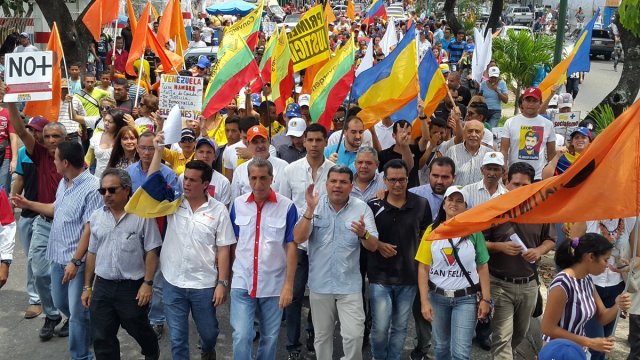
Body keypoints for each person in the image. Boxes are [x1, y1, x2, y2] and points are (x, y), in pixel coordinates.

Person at [127, 133, 236, 360]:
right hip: (173, 281)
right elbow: (153, 179)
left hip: (204, 284)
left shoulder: (218, 211)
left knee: (209, 333)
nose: (186, 183)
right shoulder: (173, 202)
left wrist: (222, 283)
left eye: (192, 180)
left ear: (205, 184)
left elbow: (224, 248)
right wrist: (158, 150)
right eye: (185, 178)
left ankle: (208, 348)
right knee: (178, 339)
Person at [12, 141, 103, 359]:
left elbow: (89, 229)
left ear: (65, 162)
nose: (52, 162)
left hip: (77, 263)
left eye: (55, 159)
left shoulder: (92, 187)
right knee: (62, 303)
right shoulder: (65, 182)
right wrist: (28, 204)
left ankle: (81, 355)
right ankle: (90, 330)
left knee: (77, 315)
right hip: (57, 257)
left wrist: (75, 261)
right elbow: (55, 208)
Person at [293, 165, 379, 360]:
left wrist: (363, 234)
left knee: (355, 336)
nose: (337, 186)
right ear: (327, 184)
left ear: (351, 186)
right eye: (333, 181)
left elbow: (373, 246)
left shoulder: (361, 208)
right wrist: (309, 210)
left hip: (349, 286)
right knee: (321, 337)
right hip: (320, 285)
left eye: (343, 182)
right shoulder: (314, 206)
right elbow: (298, 238)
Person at [81, 168, 161, 360]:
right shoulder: (97, 217)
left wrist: (147, 283)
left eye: (112, 190)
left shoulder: (142, 216)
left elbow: (152, 250)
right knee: (102, 336)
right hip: (103, 285)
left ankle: (151, 351)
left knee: (136, 325)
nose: (106, 195)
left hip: (132, 286)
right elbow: (92, 252)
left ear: (127, 189)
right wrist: (87, 286)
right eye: (103, 191)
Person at [4, 95, 65, 340]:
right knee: (40, 272)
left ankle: (72, 315)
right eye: (47, 136)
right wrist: (9, 100)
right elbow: (19, 127)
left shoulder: (74, 157)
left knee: (66, 274)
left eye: (55, 137)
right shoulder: (38, 154)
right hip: (43, 223)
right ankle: (51, 315)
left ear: (64, 139)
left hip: (68, 227)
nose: (50, 140)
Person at [484, 162, 556, 359]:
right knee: (502, 338)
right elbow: (479, 243)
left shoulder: (541, 210)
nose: (519, 189)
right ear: (506, 182)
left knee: (519, 334)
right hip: (500, 283)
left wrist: (539, 251)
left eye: (525, 185)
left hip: (529, 284)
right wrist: (499, 247)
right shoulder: (494, 208)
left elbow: (550, 240)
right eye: (515, 184)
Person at [229, 158, 298, 360]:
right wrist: (227, 279)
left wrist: (288, 285)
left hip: (274, 284)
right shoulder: (238, 204)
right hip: (243, 281)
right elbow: (233, 242)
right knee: (242, 335)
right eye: (254, 178)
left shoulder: (287, 207)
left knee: (269, 337)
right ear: (248, 179)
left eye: (263, 178)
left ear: (271, 179)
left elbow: (292, 246)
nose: (258, 184)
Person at [416, 186, 492, 360]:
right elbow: (423, 267)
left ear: (466, 206)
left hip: (465, 299)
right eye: (450, 199)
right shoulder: (432, 231)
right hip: (437, 298)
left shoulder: (474, 232)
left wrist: (486, 299)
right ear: (443, 204)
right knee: (441, 348)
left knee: (460, 353)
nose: (454, 204)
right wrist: (424, 301)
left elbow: (483, 266)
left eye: (460, 201)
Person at [278, 124, 334, 359]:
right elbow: (283, 205)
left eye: (318, 140)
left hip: (323, 243)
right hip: (297, 244)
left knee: (320, 295)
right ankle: (292, 344)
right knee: (294, 294)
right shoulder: (291, 171)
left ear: (325, 142)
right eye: (309, 140)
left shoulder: (334, 170)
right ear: (304, 141)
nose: (313, 145)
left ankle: (313, 334)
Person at [367, 159, 431, 360]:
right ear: (384, 181)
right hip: (379, 277)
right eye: (392, 180)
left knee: (400, 328)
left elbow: (427, 237)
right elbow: (363, 236)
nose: (397, 184)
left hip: (409, 277)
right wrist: (378, 245)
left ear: (407, 180)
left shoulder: (421, 204)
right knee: (379, 329)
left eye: (402, 180)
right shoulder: (372, 205)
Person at [541, 233, 632, 355]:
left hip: (577, 351)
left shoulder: (586, 280)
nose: (607, 265)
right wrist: (590, 342)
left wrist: (618, 305)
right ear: (591, 257)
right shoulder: (562, 284)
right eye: (605, 260)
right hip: (559, 352)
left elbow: (602, 317)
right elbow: (548, 328)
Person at [575, 217, 637, 360]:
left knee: (605, 342)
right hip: (589, 283)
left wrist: (628, 265)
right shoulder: (589, 216)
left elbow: (638, 256)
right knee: (596, 344)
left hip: (616, 286)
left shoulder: (631, 219)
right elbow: (572, 247)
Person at [11, 117, 48, 319]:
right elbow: (21, 179)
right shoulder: (25, 153)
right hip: (28, 215)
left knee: (42, 257)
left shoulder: (54, 154)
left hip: (49, 215)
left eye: (36, 130)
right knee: (33, 258)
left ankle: (41, 298)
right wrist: (12, 201)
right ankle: (36, 299)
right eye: (30, 130)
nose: (33, 134)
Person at [501, 87, 555, 181]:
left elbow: (551, 153)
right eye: (528, 100)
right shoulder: (510, 122)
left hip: (538, 177)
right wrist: (504, 167)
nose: (530, 104)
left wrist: (550, 175)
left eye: (534, 101)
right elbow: (504, 150)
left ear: (540, 104)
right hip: (514, 177)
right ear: (522, 102)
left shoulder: (548, 124)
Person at [230, 125, 288, 200]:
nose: (260, 146)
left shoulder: (284, 167)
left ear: (269, 141)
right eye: (255, 142)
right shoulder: (240, 171)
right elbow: (235, 201)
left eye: (263, 141)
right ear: (248, 144)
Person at [178, 138, 231, 207]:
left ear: (215, 156)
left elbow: (224, 210)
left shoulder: (223, 182)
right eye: (201, 152)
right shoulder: (183, 177)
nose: (205, 156)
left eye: (208, 152)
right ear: (195, 154)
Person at [377, 120, 427, 188]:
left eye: (408, 133)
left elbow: (425, 138)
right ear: (394, 135)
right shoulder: (383, 155)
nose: (405, 136)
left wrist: (422, 117)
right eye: (401, 133)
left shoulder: (415, 149)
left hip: (413, 193)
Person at [444, 120, 491, 187]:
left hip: (482, 196)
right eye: (470, 131)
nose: (473, 134)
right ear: (464, 133)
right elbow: (444, 175)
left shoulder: (489, 153)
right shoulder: (452, 151)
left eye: (477, 131)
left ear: (483, 135)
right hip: (457, 196)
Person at [86, 108, 128, 178]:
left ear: (118, 124)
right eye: (105, 120)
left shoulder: (124, 139)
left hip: (117, 180)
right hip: (98, 179)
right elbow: (88, 159)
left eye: (110, 122)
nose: (106, 123)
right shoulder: (97, 136)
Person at [0, 106, 17, 192]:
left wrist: (14, 159)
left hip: (5, 156)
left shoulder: (7, 113)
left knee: (3, 190)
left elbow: (13, 137)